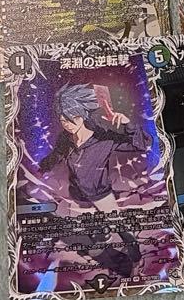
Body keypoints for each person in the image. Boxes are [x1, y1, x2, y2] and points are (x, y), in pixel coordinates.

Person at [39, 84, 150, 213]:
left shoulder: (103, 139)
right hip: (77, 197)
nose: (68, 125)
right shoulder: (65, 138)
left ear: (83, 115)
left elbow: (143, 145)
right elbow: (56, 155)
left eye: (74, 118)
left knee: (116, 223)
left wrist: (128, 125)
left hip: (101, 197)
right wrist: (41, 170)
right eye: (63, 121)